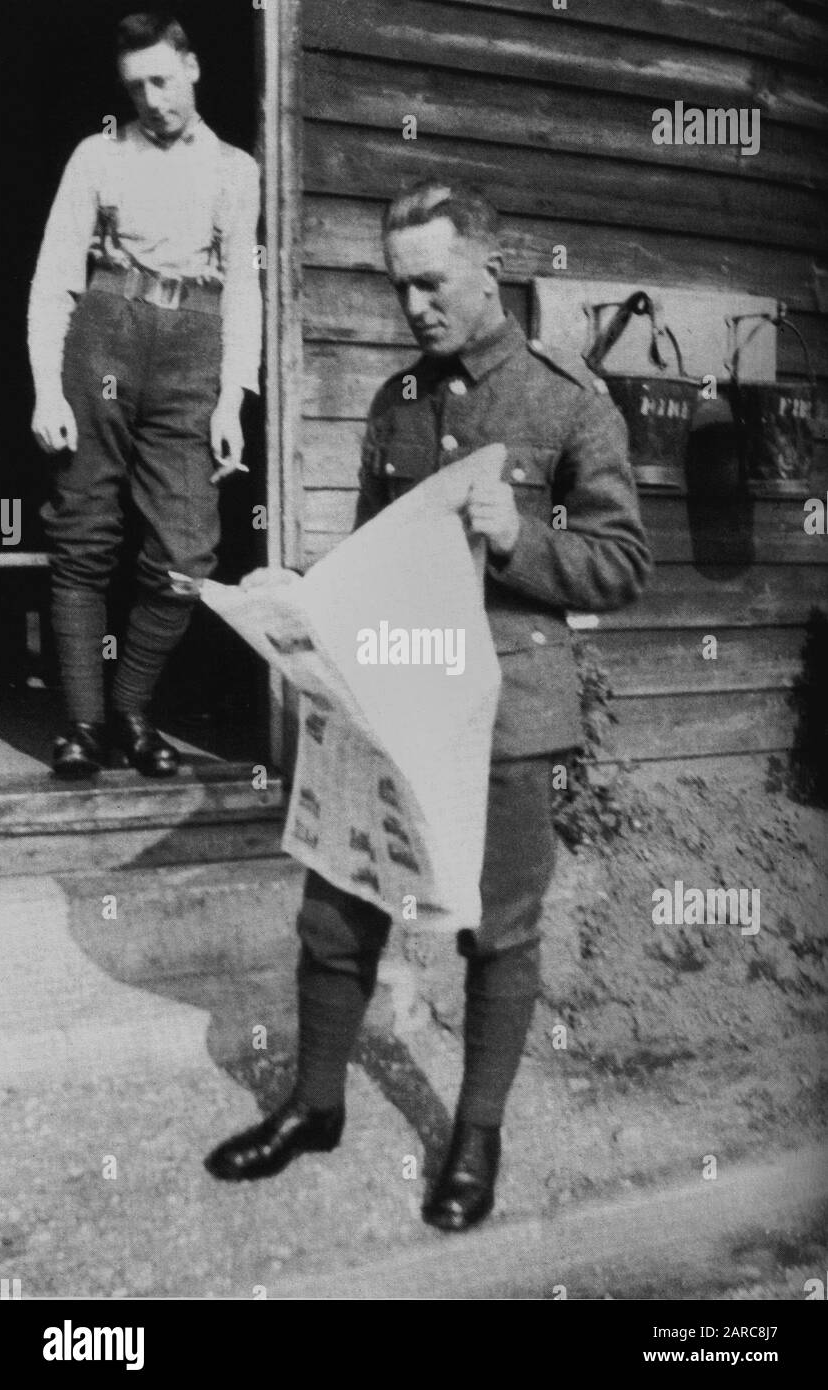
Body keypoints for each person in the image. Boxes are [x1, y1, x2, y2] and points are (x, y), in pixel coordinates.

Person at [206, 181, 651, 1232]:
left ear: (487, 272)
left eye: (430, 282)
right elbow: (376, 557)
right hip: (391, 699)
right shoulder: (395, 403)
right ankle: (315, 1106)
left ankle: (475, 1134)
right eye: (397, 285)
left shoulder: (566, 402)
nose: (411, 305)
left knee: (496, 932)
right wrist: (302, 603)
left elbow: (623, 564)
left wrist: (518, 540)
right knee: (333, 910)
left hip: (502, 717)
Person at [28, 12, 261, 778]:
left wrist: (232, 398)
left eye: (163, 78)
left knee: (185, 549)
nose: (152, 98)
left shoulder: (235, 169)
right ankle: (84, 726)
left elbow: (245, 293)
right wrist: (46, 394)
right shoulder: (97, 153)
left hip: (193, 343)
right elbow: (53, 274)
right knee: (84, 530)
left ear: (192, 68)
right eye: (136, 86)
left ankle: (132, 709)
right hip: (104, 334)